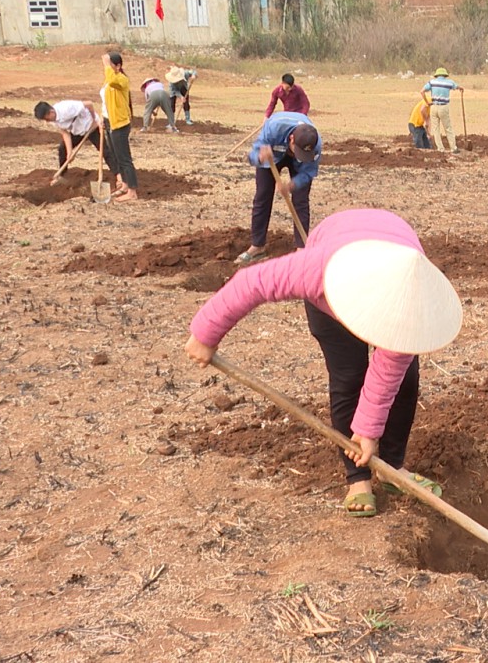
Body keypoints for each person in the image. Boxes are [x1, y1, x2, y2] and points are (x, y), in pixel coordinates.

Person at [185, 209, 462, 518]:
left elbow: (388, 371)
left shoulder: (409, 298)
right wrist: (206, 332)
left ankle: (393, 467)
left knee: (405, 380)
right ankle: (358, 478)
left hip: (393, 247)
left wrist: (368, 430)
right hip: (333, 281)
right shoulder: (317, 269)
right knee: (348, 378)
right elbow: (252, 282)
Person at [236, 111, 321, 264]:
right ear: (291, 139)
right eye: (298, 152)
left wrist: (292, 185)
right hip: (272, 154)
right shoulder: (273, 128)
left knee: (301, 200)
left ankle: (301, 248)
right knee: (263, 196)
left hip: (297, 162)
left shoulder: (315, 145)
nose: (298, 155)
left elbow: (309, 172)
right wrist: (260, 157)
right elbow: (252, 156)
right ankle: (257, 246)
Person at [100, 51, 139, 202]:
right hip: (110, 122)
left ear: (118, 66)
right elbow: (106, 101)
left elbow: (112, 81)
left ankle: (132, 192)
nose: (107, 68)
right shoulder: (109, 79)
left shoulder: (121, 79)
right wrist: (104, 117)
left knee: (124, 158)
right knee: (116, 156)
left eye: (111, 65)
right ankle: (124, 185)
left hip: (120, 124)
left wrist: (106, 66)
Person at [35, 98, 110, 175]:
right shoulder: (53, 121)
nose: (47, 121)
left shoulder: (66, 108)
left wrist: (94, 120)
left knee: (104, 150)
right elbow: (65, 134)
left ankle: (118, 175)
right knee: (62, 149)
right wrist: (69, 152)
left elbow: (89, 104)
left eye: (46, 119)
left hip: (91, 126)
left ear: (51, 112)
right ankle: (62, 175)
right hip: (77, 131)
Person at [421, 67, 463, 153]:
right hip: (444, 107)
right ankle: (453, 148)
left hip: (434, 107)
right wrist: (461, 89)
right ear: (445, 75)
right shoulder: (449, 82)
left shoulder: (432, 82)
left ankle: (440, 149)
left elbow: (422, 91)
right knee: (448, 128)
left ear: (436, 75)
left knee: (436, 129)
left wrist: (427, 102)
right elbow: (457, 86)